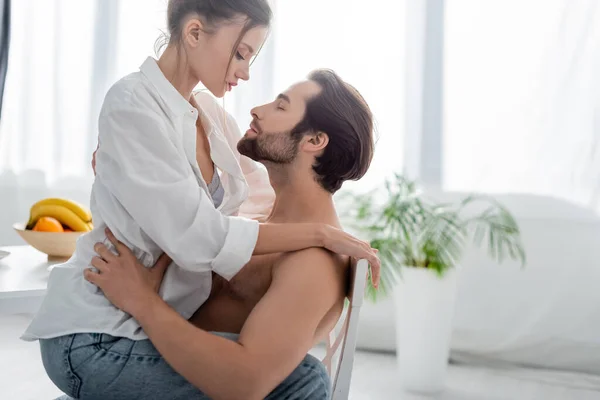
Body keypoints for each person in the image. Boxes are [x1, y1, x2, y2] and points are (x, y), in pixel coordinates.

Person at [79, 68, 375, 400]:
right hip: (151, 364)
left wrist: (142, 302)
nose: (257, 110)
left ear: (314, 141)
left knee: (309, 378)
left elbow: (245, 382)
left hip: (196, 379)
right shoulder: (260, 213)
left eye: (280, 106)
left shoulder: (314, 263)